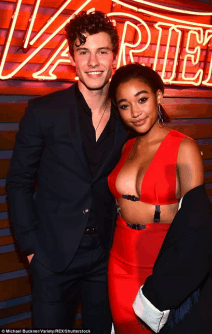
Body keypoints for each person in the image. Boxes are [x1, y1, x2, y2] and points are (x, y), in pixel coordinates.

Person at [6, 11, 128, 332]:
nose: (93, 61)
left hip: (104, 257)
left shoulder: (125, 117)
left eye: (102, 51)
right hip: (53, 258)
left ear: (114, 56)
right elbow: (17, 183)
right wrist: (31, 250)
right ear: (71, 57)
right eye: (83, 51)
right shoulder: (44, 111)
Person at [107, 63, 212, 334]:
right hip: (119, 259)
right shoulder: (127, 146)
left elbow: (197, 222)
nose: (135, 112)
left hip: (163, 260)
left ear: (159, 96)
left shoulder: (184, 147)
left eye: (142, 99)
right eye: (124, 105)